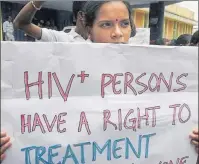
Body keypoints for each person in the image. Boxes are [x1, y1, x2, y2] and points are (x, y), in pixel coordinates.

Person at [13, 1, 87, 42]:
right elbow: (21, 23)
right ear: (80, 16)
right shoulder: (61, 39)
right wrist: (38, 2)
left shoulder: (97, 40)